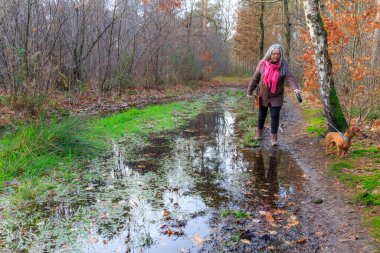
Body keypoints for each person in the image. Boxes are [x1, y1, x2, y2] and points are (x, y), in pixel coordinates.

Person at [247, 44, 301, 146]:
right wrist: (249, 92)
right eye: (274, 53)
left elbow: (290, 78)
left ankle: (274, 137)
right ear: (270, 53)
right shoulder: (262, 65)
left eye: (278, 54)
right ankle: (258, 133)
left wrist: (296, 89)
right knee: (261, 115)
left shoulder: (283, 66)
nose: (275, 56)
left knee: (275, 116)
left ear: (280, 55)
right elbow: (255, 79)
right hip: (262, 95)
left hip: (277, 96)